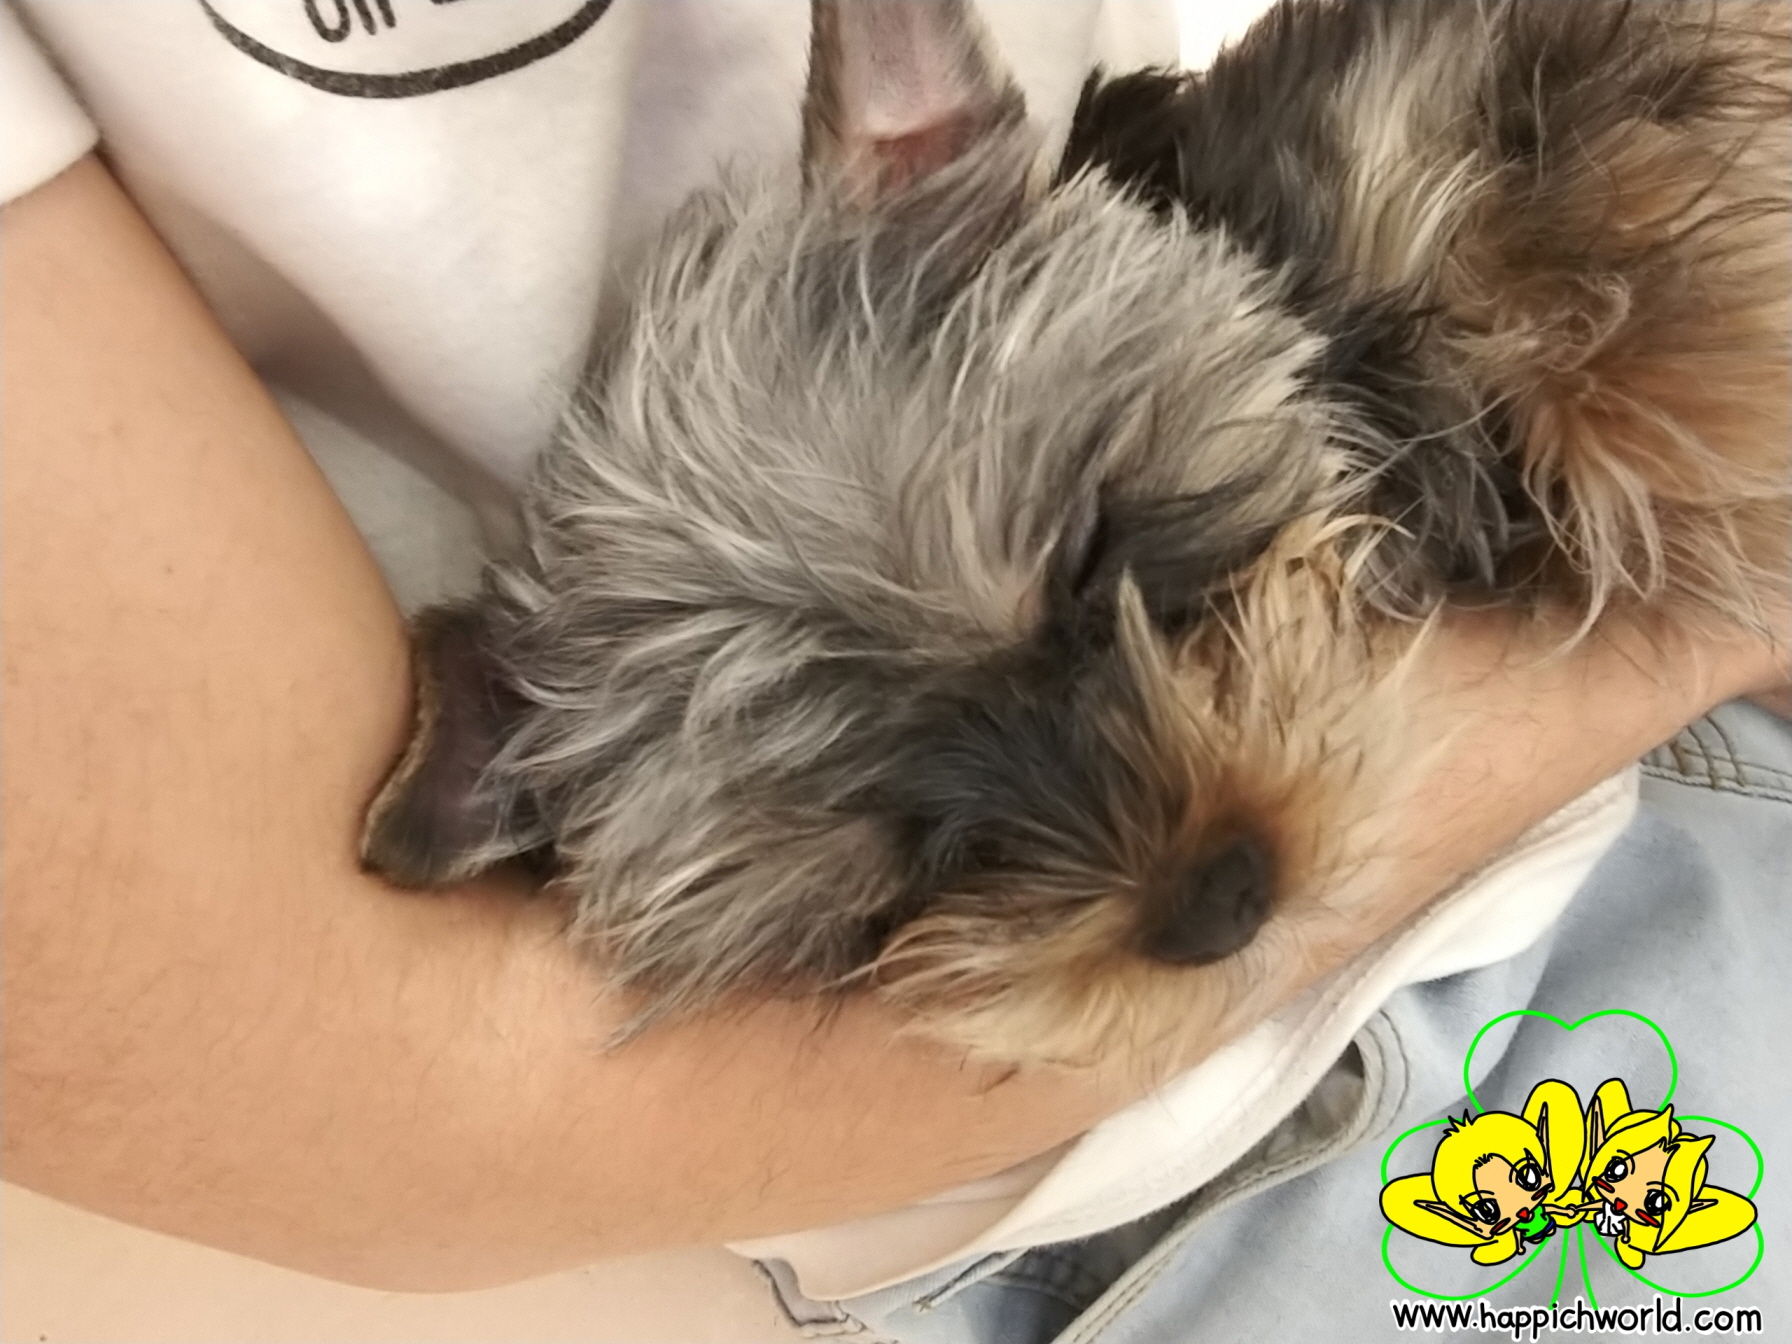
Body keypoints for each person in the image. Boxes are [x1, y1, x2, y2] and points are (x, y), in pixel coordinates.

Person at [5, 1, 1787, 1337]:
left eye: (1099, 582)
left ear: (942, 150)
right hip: (1199, 1180)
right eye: (914, 867)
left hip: (1625, 726)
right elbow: (394, 1098)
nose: (1188, 856)